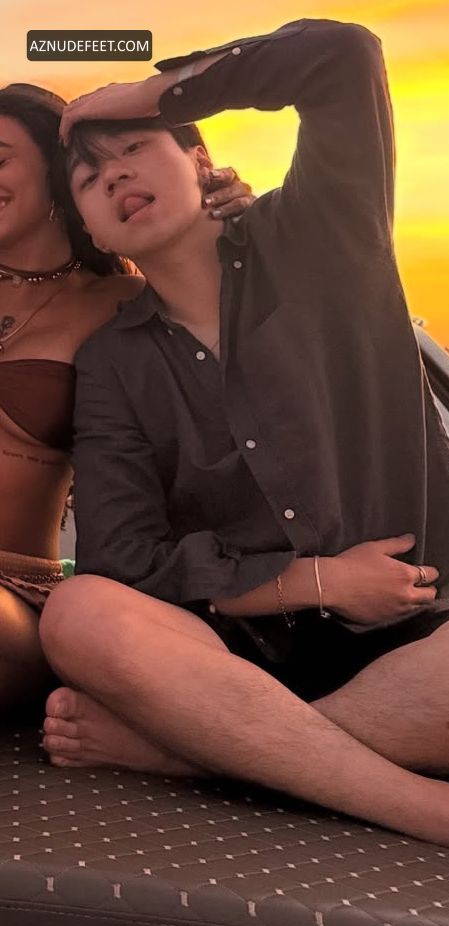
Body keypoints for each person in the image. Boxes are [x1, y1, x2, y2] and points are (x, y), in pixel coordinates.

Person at [39, 19, 449, 864]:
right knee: (80, 610)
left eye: (135, 148)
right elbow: (123, 561)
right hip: (221, 666)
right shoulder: (113, 363)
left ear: (200, 161)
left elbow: (340, 57)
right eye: (91, 179)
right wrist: (314, 581)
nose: (116, 174)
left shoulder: (324, 237)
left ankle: (199, 758)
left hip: (420, 659)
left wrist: (139, 91)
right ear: (96, 233)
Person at [0, 82, 254, 712]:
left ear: (56, 171)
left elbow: (229, 344)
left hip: (20, 595)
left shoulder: (127, 305)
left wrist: (226, 219)